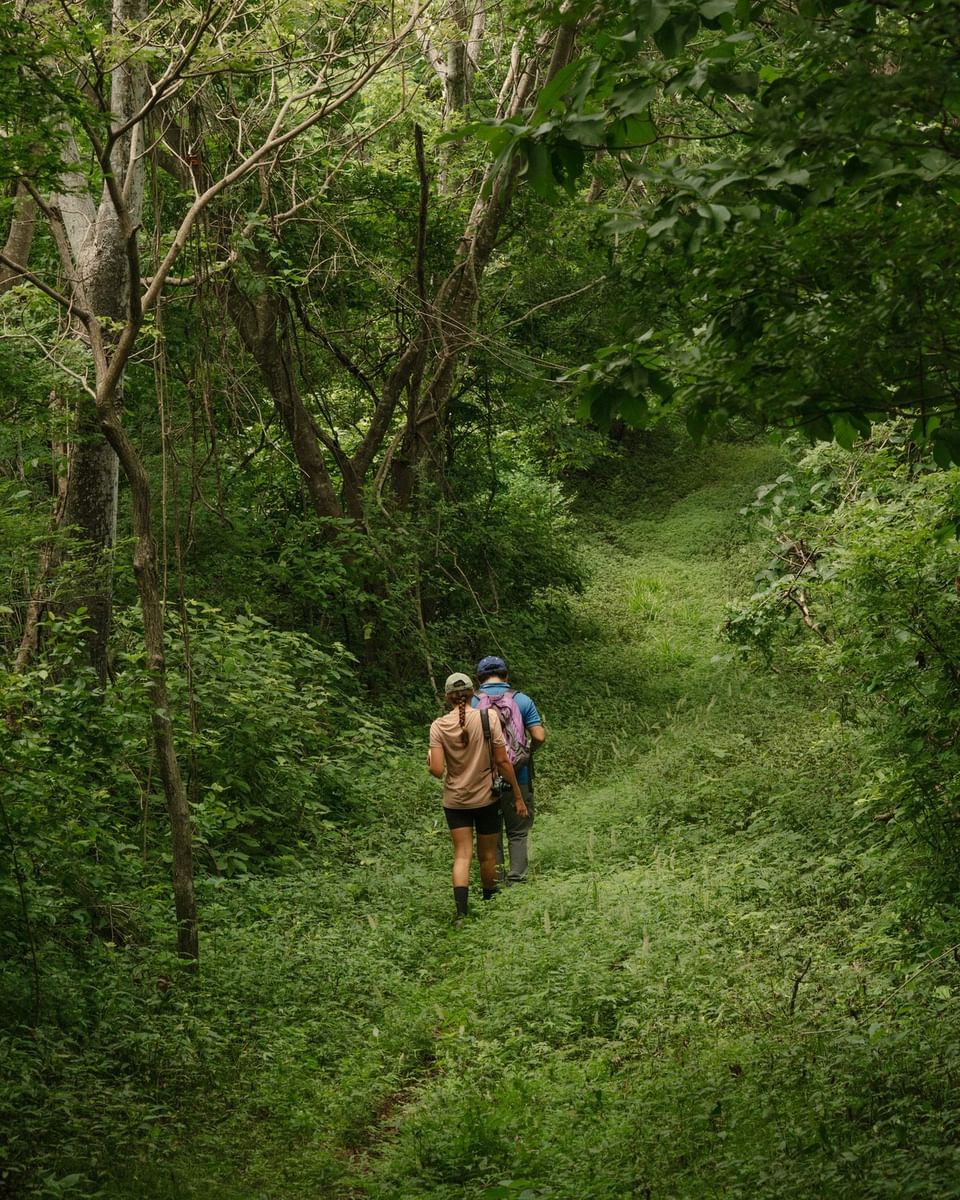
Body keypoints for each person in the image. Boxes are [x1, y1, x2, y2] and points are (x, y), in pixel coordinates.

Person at [429, 671, 527, 923]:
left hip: (455, 802)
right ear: (473, 693)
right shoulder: (488, 717)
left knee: (462, 855)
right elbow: (502, 761)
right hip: (486, 799)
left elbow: (437, 771)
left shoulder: (438, 726)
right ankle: (489, 904)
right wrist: (517, 795)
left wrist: (430, 760)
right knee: (488, 855)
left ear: (447, 697)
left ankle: (461, 914)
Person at [472, 655, 545, 884]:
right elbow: (539, 736)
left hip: (484, 778)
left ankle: (496, 883)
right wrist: (526, 754)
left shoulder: (471, 703)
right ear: (506, 676)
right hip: (519, 776)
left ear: (479, 678)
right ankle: (518, 882)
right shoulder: (522, 700)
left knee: (491, 834)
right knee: (518, 832)